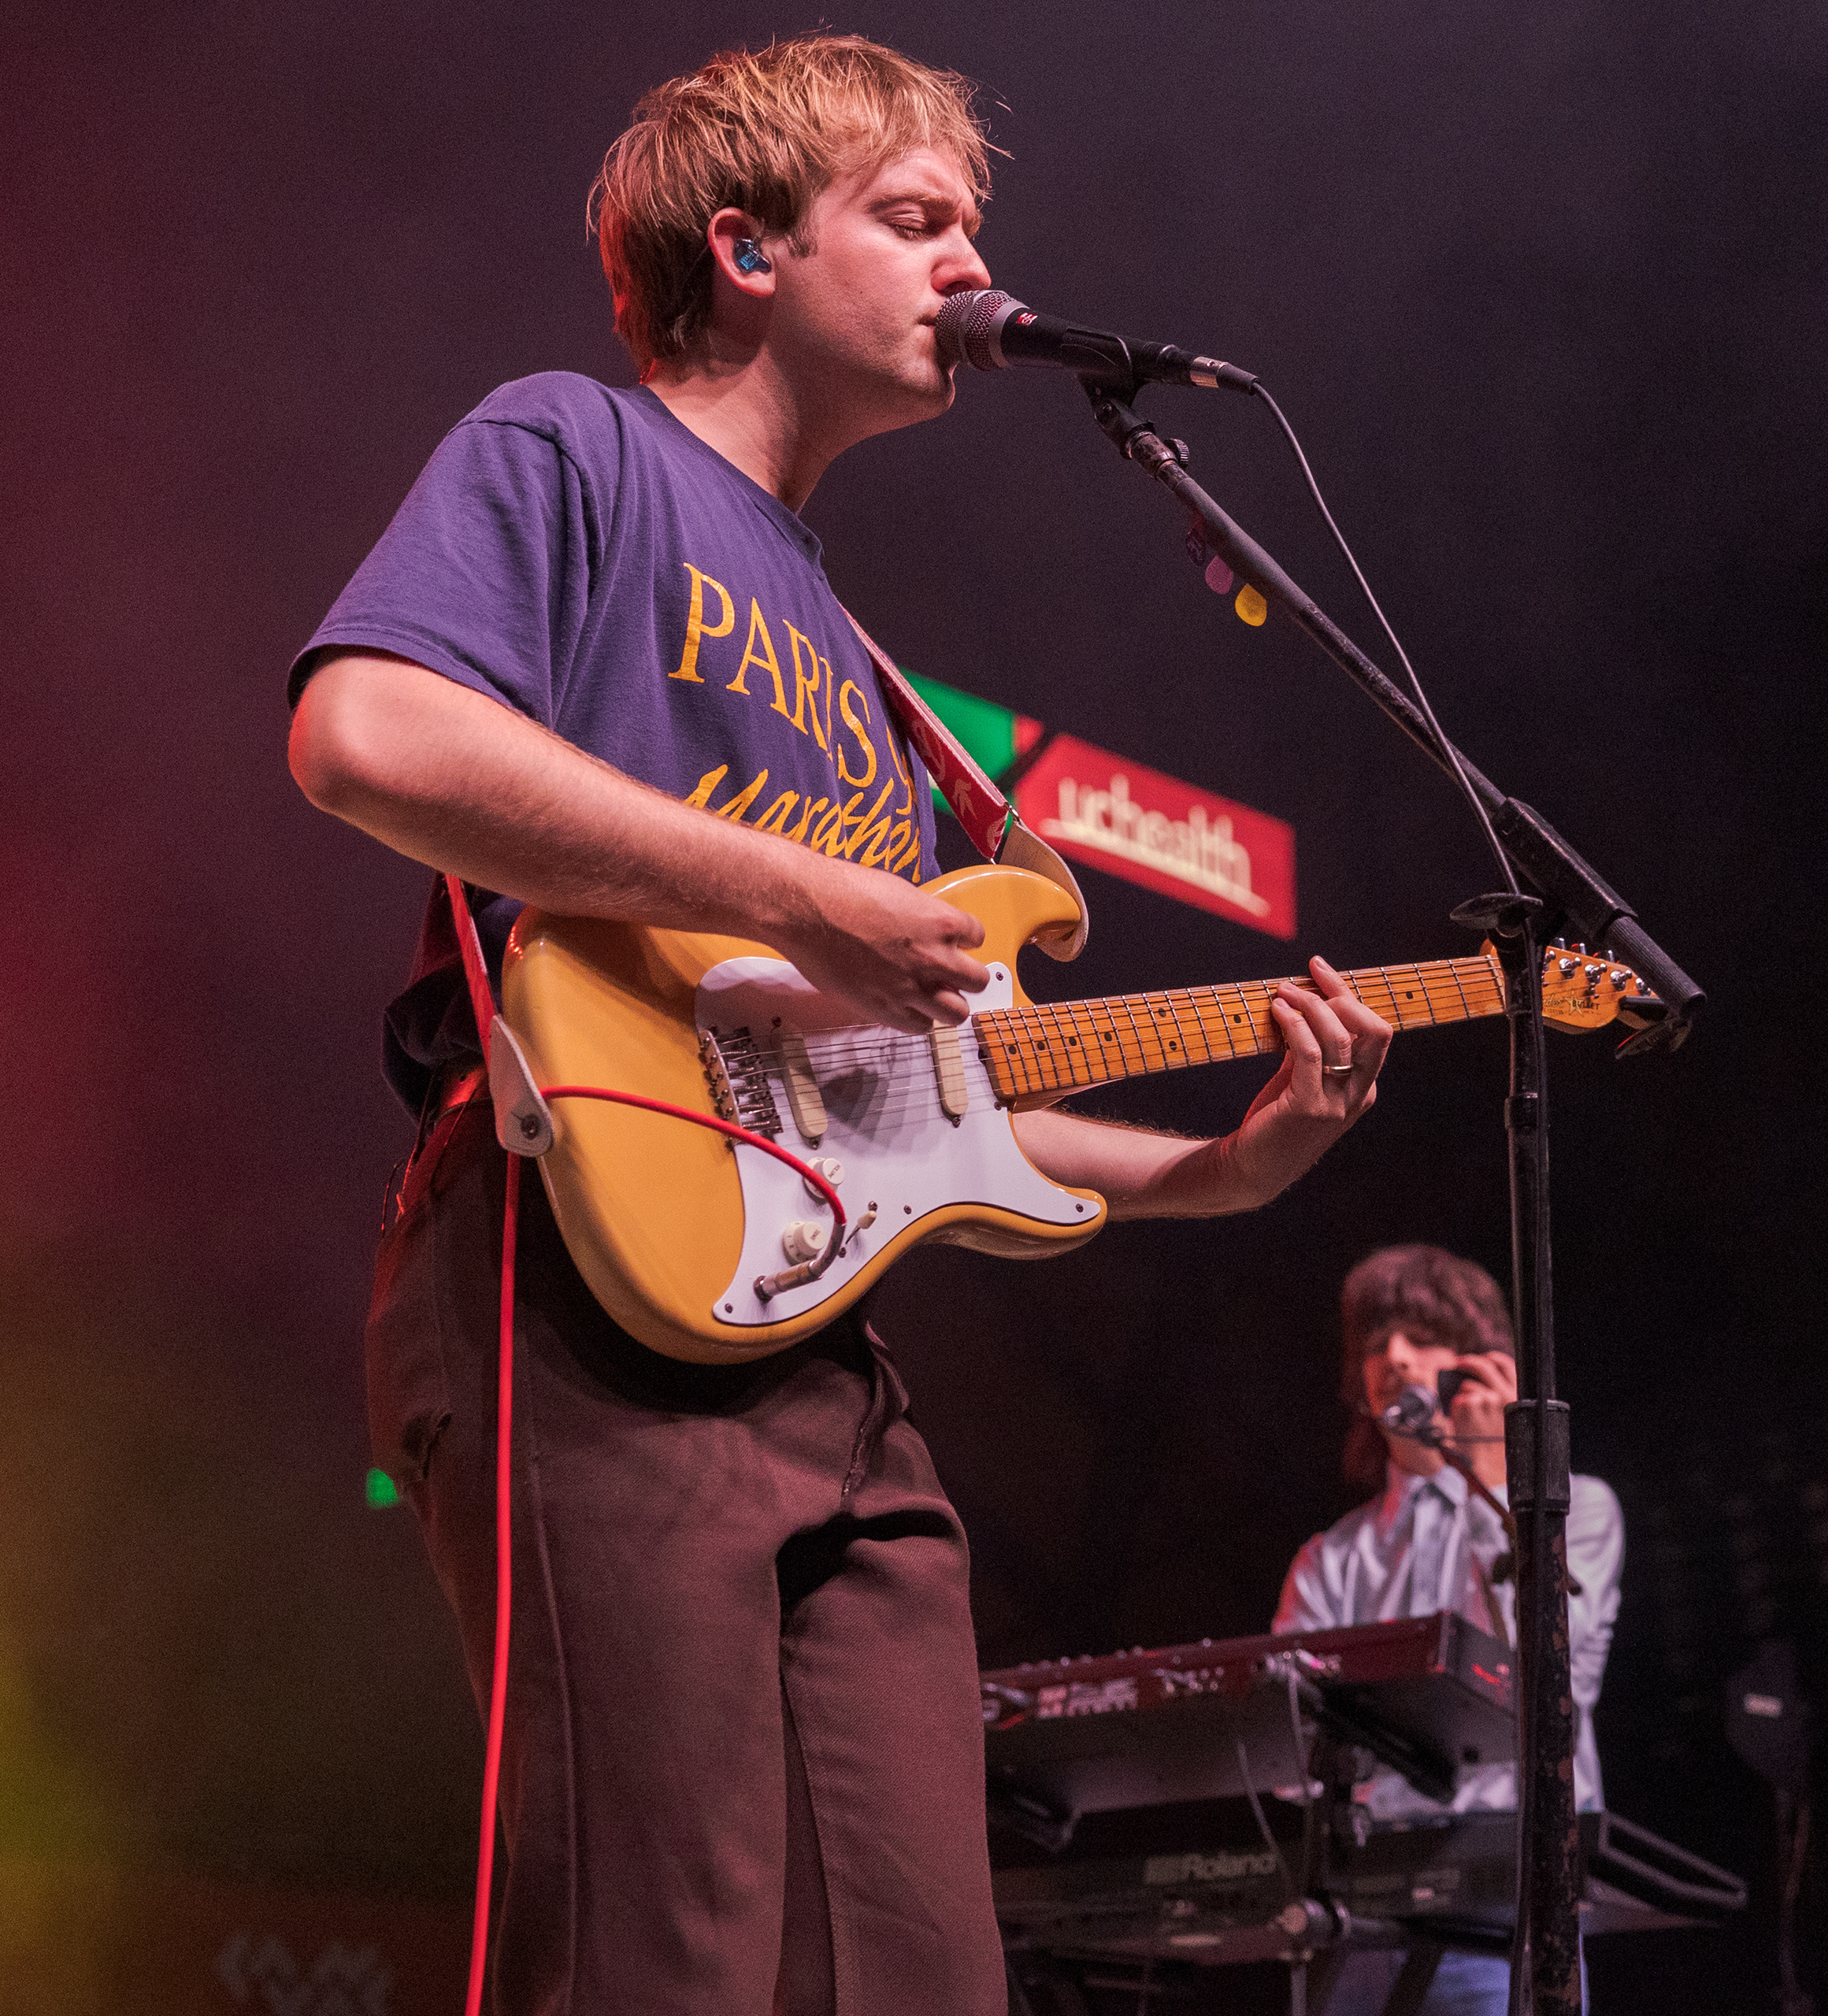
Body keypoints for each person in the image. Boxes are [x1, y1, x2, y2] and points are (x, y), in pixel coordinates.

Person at [284, 35, 1394, 2014]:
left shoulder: (860, 667)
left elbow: (919, 1098)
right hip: (574, 1257)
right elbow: (365, 732)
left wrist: (1231, 1166)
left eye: (975, 228)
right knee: (662, 1951)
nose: (971, 270)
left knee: (925, 1961)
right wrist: (797, 892)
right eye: (915, 220)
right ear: (745, 248)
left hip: (814, 1342)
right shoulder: (571, 446)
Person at [1274, 1245, 1624, 2016]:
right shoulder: (1328, 1558)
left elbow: (1554, 1690)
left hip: (1508, 1898)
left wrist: (1500, 1483)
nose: (1394, 1355)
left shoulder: (1582, 1510)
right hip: (1362, 1903)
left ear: (1482, 1364)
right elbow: (1282, 1745)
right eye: (1375, 1341)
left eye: (1421, 1334)